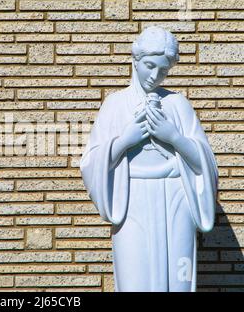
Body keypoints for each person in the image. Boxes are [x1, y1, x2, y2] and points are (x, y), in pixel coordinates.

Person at [80, 26, 218, 292]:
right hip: (132, 199)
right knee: (135, 281)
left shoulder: (178, 104)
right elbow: (90, 162)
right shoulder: (115, 104)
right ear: (135, 60)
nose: (155, 76)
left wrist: (175, 138)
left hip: (176, 198)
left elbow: (206, 165)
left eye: (163, 70)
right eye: (149, 66)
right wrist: (123, 141)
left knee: (177, 280)